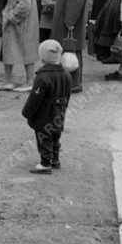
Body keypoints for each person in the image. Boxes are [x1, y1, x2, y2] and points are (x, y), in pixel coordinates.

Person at [22, 39, 72, 174]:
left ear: (42, 57)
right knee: (56, 136)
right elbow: (68, 95)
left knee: (44, 137)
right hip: (59, 112)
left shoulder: (42, 77)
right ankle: (55, 160)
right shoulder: (67, 74)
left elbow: (35, 98)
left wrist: (26, 112)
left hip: (44, 114)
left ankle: (45, 163)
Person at [51, 0, 90, 92]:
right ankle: (69, 82)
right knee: (68, 50)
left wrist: (70, 20)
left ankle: (73, 83)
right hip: (65, 18)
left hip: (69, 21)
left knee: (71, 50)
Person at [0, 0, 39, 91]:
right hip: (15, 16)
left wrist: (11, 16)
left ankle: (29, 81)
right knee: (9, 48)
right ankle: (8, 80)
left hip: (23, 20)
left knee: (26, 48)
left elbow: (25, 3)